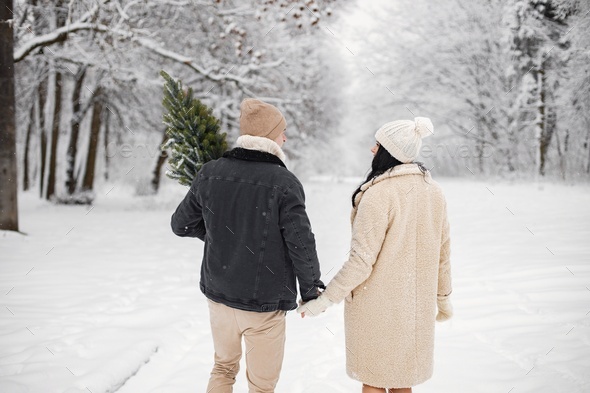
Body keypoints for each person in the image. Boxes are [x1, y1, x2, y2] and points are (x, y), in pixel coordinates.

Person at [171, 98, 324, 393]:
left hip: (219, 295)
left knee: (223, 368)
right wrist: (311, 290)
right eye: (282, 132)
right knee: (262, 386)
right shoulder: (284, 182)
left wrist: (220, 236)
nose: (285, 137)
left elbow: (181, 224)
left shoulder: (211, 172)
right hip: (263, 305)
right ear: (268, 136)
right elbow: (300, 242)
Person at [297, 117, 453, 393]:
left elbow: (361, 261)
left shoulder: (379, 195)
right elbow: (443, 254)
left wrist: (323, 301)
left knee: (374, 379)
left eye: (378, 144)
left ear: (389, 152)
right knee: (403, 380)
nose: (372, 150)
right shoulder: (435, 193)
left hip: (378, 309)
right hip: (416, 309)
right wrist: (442, 299)